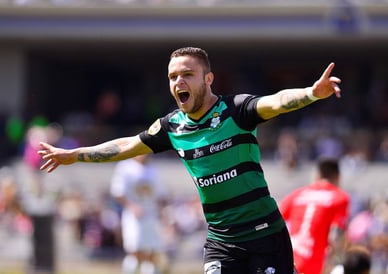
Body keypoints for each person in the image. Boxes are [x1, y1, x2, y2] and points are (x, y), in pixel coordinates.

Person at [38, 47, 342, 274]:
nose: (178, 81)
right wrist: (74, 155)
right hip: (222, 241)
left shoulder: (235, 110)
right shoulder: (172, 126)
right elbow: (128, 145)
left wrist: (312, 93)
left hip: (265, 235)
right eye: (173, 76)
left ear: (208, 79)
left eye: (187, 74)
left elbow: (275, 102)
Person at [280, 158, 350, 274]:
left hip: (290, 259)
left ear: (317, 175)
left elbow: (274, 221)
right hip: (314, 262)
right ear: (338, 177)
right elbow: (335, 237)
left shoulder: (297, 194)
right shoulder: (340, 197)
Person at [110, 154, 168, 274]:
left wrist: (162, 211)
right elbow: (118, 191)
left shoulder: (152, 169)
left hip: (151, 215)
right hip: (134, 216)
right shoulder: (125, 167)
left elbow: (161, 194)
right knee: (135, 251)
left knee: (152, 252)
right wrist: (132, 206)